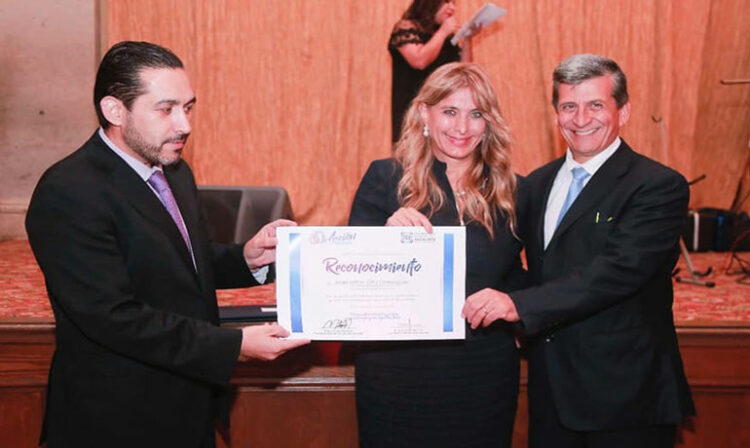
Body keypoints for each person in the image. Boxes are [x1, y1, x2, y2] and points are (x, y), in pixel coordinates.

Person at [25, 41, 309, 447]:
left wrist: (247, 259)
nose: (184, 124)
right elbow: (113, 317)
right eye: (166, 109)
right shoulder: (70, 191)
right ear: (115, 111)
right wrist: (234, 346)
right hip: (116, 419)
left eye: (188, 107)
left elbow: (177, 263)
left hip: (188, 403)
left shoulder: (173, 170)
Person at [462, 54, 695, 447]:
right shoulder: (536, 184)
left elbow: (617, 271)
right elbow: (502, 255)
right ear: (556, 113)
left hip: (625, 396)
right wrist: (405, 225)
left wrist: (518, 305)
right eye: (569, 106)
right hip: (552, 393)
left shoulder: (657, 185)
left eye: (596, 105)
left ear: (623, 112)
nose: (581, 118)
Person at [349, 62, 525, 447]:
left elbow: (520, 277)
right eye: (449, 111)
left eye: (476, 114)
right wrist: (385, 238)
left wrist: (518, 311)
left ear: (489, 122)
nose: (462, 127)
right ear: (423, 113)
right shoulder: (385, 179)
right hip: (396, 371)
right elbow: (352, 280)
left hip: (484, 370)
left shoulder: (514, 192)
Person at [389, 0, 480, 143]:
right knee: (415, 152)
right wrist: (443, 32)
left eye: (453, 3)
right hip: (414, 109)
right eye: (446, 2)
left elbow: (464, 71)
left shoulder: (446, 36)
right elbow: (419, 61)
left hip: (443, 110)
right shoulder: (406, 27)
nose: (451, 7)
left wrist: (467, 38)